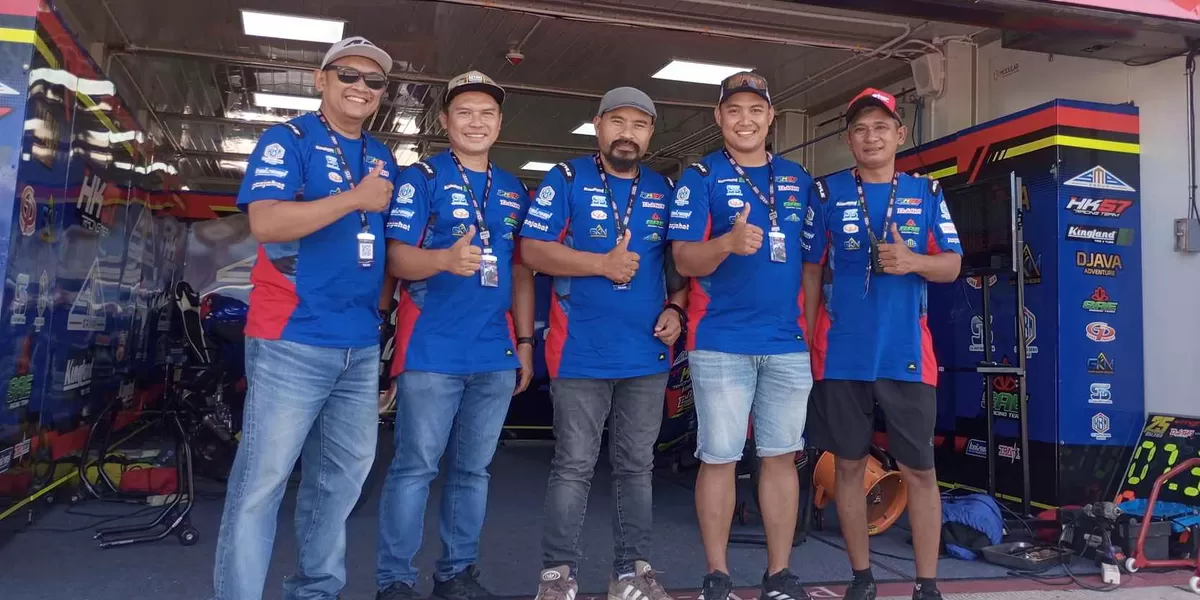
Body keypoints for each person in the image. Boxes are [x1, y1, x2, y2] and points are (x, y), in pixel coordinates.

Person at [211, 36, 397, 600]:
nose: (362, 87)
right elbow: (266, 223)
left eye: (374, 80)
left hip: (358, 344)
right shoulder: (286, 140)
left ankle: (314, 591)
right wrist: (355, 198)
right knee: (261, 483)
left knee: (340, 481)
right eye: (348, 75)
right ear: (321, 80)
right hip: (291, 337)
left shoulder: (382, 155)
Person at [518, 87, 686, 600]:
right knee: (574, 467)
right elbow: (532, 250)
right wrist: (601, 264)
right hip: (580, 353)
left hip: (646, 354)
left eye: (639, 124)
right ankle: (557, 576)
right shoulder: (566, 179)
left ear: (650, 133)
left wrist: (677, 310)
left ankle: (632, 573)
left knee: (637, 468)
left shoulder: (664, 188)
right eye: (617, 122)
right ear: (598, 125)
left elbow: (676, 268)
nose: (626, 133)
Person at [374, 70, 536, 600]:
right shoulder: (420, 177)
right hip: (432, 348)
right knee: (414, 469)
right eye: (464, 112)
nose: (476, 122)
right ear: (445, 121)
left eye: (486, 113)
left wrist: (526, 344)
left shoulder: (512, 188)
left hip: (494, 352)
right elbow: (396, 258)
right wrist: (443, 259)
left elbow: (519, 270)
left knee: (474, 472)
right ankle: (395, 581)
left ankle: (456, 575)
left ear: (500, 124)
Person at [801, 88, 962, 600]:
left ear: (900, 134)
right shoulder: (826, 193)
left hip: (906, 354)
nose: (871, 137)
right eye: (860, 129)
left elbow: (952, 265)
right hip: (841, 354)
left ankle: (927, 584)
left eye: (881, 128)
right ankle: (861, 578)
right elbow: (810, 272)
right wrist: (807, 342)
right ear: (849, 139)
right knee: (848, 467)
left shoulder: (926, 192)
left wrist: (913, 261)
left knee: (920, 470)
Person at [666, 72, 815, 600]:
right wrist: (726, 243)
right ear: (719, 117)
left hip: (786, 344)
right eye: (734, 110)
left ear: (771, 117)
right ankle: (718, 575)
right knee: (720, 457)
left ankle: (779, 574)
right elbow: (684, 259)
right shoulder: (700, 176)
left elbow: (812, 265)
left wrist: (808, 336)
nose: (745, 119)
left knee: (780, 457)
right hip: (721, 341)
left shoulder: (797, 178)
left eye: (755, 109)